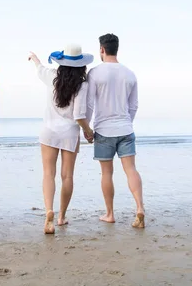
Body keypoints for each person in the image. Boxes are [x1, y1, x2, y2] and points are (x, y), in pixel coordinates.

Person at [28, 45, 94, 234]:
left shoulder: (52, 77)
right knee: (67, 176)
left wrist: (34, 58)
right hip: (70, 133)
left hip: (48, 131)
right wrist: (88, 131)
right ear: (81, 65)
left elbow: (40, 69)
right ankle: (61, 216)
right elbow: (80, 115)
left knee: (48, 174)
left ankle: (49, 210)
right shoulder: (83, 85)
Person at [87, 33, 145, 228]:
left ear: (102, 50)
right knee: (131, 170)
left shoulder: (95, 73)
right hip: (125, 128)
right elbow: (134, 105)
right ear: (116, 49)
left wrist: (86, 128)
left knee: (106, 174)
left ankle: (110, 214)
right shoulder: (130, 74)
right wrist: (127, 122)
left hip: (103, 130)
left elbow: (89, 105)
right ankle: (140, 207)